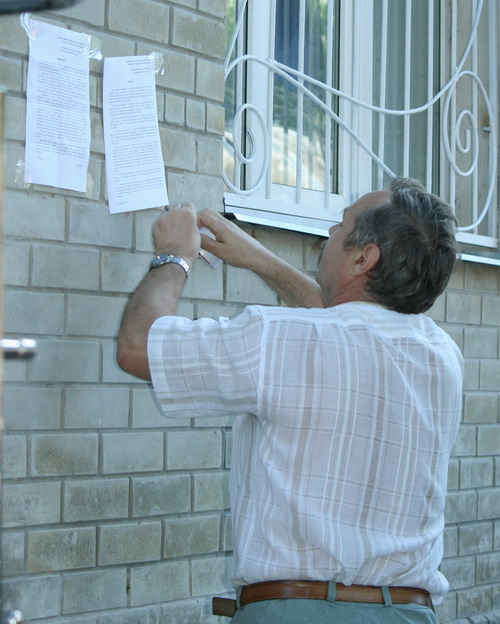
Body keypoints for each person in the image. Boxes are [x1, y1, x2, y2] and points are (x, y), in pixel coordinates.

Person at [117, 178, 463, 624]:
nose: (329, 234)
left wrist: (174, 255)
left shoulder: (279, 338)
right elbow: (351, 323)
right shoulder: (442, 357)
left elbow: (138, 347)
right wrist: (259, 259)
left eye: (341, 225)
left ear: (363, 258)